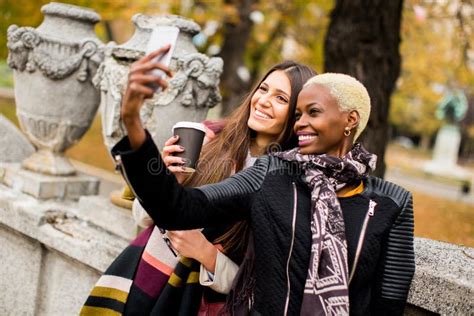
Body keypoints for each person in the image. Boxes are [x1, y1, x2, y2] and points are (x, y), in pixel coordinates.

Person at [112, 70, 415, 315]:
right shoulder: (271, 173)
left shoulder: (393, 202)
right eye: (298, 114)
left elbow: (388, 303)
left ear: (350, 120)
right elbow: (177, 209)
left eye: (313, 112)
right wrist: (133, 124)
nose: (302, 123)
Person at [81, 44, 317, 315]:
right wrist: (171, 179)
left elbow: (266, 287)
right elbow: (142, 217)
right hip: (146, 273)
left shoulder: (289, 185)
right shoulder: (207, 138)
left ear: (297, 115)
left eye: (281, 98)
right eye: (263, 89)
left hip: (200, 303)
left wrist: (207, 254)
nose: (263, 100)